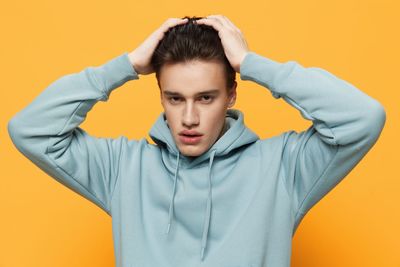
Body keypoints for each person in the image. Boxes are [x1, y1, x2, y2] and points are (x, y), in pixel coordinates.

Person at [7, 15, 386, 267]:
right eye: (175, 99)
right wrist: (126, 66)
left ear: (232, 94)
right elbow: (30, 129)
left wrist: (252, 64)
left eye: (206, 98)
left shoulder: (283, 168)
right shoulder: (124, 168)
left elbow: (362, 118)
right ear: (160, 95)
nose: (189, 118)